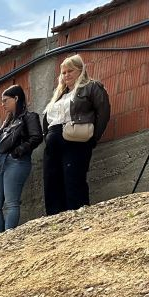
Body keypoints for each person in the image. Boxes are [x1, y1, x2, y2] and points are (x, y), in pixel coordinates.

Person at [42, 54, 111, 215]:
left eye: (70, 71)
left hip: (76, 139)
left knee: (73, 178)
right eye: (63, 72)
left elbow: (104, 113)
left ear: (80, 70)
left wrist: (93, 138)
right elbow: (47, 120)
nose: (66, 75)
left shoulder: (92, 87)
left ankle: (78, 215)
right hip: (54, 140)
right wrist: (48, 137)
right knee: (51, 180)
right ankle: (55, 218)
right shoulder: (58, 94)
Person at [0, 85, 43, 234]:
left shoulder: (29, 116)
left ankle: (8, 237)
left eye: (6, 100)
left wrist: (17, 152)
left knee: (11, 203)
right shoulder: (7, 122)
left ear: (16, 98)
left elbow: (37, 137)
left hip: (16, 161)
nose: (2, 104)